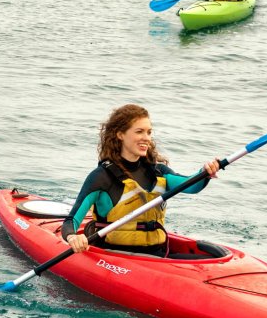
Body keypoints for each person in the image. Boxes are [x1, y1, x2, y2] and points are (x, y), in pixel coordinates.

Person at [63, 104, 222, 257]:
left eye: (149, 132)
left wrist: (205, 173)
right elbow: (71, 221)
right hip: (115, 256)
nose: (146, 138)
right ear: (120, 134)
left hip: (157, 255)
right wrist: (73, 237)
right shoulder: (101, 177)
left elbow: (191, 186)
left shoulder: (158, 172)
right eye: (139, 132)